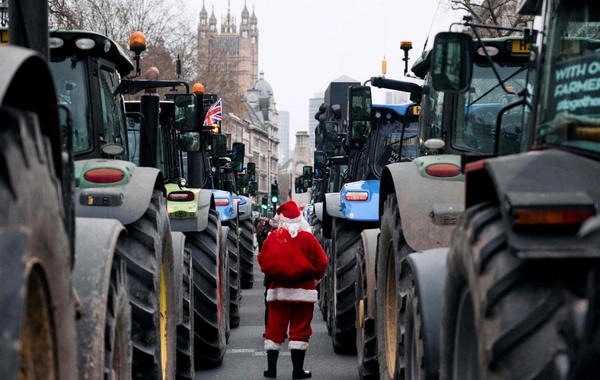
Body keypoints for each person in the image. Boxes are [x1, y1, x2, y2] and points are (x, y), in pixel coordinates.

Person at [257, 201, 328, 379]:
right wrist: (314, 280)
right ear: (300, 219)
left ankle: (271, 370)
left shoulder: (274, 236)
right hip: (304, 292)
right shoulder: (308, 238)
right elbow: (323, 262)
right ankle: (297, 371)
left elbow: (262, 259)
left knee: (274, 329)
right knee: (300, 329)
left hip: (278, 292)